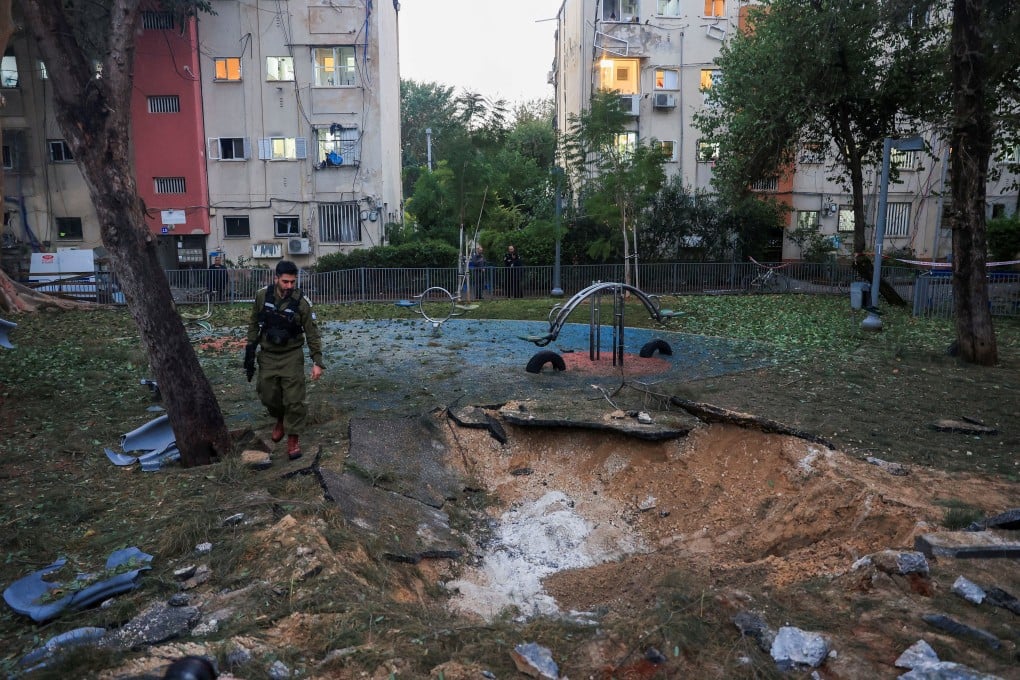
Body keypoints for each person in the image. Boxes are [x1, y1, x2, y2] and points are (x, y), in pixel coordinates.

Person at [245, 260, 324, 460]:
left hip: (292, 354)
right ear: (276, 279)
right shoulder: (262, 296)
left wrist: (317, 361)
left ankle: (293, 439)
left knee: (294, 399)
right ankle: (280, 418)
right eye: (285, 282)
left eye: (292, 282)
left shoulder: (302, 303)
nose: (289, 286)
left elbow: (312, 333)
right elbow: (254, 322)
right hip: (268, 354)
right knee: (267, 394)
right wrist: (250, 349)